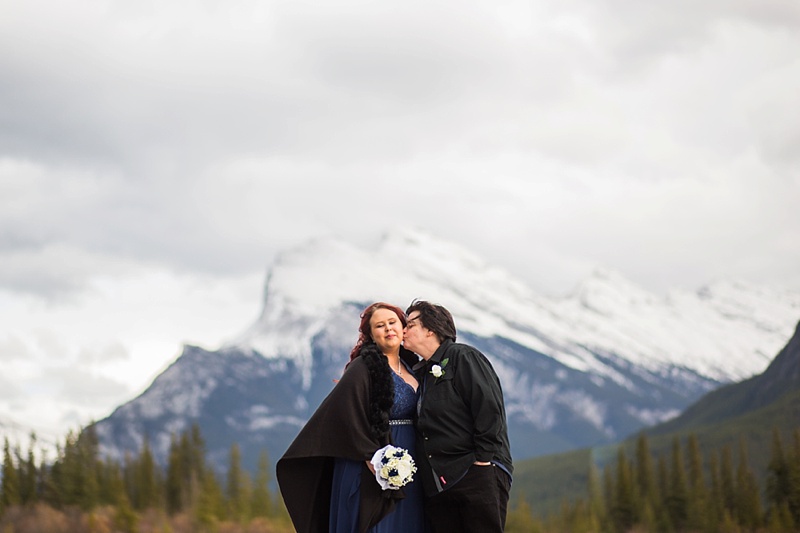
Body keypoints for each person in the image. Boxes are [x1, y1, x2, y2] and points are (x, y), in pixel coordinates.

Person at [276, 302, 428, 533]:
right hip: (375, 458)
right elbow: (343, 415)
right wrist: (372, 457)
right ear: (370, 335)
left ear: (403, 327)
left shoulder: (414, 366)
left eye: (392, 322)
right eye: (379, 325)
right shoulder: (362, 368)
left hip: (412, 458)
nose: (388, 329)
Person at [403, 300, 513, 533]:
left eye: (410, 324)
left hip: (476, 474)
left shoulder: (462, 356)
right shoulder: (421, 374)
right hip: (441, 485)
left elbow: (489, 408)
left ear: (431, 329)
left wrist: (482, 461)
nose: (403, 330)